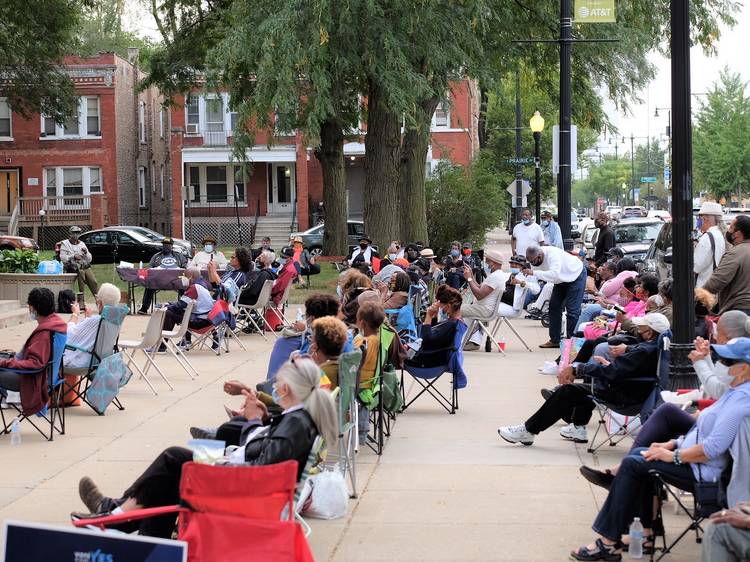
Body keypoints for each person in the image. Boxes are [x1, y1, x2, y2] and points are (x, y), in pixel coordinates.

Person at [74, 357, 337, 538]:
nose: (275, 388)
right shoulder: (299, 419)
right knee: (176, 470)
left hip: (245, 492)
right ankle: (116, 517)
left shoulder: (297, 423)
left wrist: (253, 423)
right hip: (250, 485)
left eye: (277, 384)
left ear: (287, 388)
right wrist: (260, 421)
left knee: (174, 459)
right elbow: (269, 457)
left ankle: (114, 517)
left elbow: (262, 470)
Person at [568, 336, 750, 562]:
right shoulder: (735, 391)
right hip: (695, 461)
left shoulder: (742, 401)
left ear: (744, 369)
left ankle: (607, 542)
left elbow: (711, 449)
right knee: (638, 456)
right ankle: (643, 533)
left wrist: (672, 455)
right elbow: (703, 430)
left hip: (706, 473)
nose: (721, 364)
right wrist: (671, 444)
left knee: (635, 463)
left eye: (726, 361)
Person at [579, 310, 750, 492]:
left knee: (663, 418)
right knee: (645, 448)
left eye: (719, 333)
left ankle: (624, 475)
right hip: (709, 425)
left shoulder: (739, 374)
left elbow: (718, 392)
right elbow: (720, 393)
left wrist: (674, 454)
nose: (715, 335)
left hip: (710, 451)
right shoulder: (735, 367)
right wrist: (706, 357)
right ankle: (632, 484)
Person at [498, 312, 669, 447]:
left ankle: (528, 430)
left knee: (569, 390)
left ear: (650, 333)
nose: (638, 331)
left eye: (641, 328)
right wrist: (605, 366)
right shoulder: (653, 348)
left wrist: (578, 368)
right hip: (629, 390)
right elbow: (622, 369)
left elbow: (615, 372)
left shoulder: (643, 351)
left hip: (624, 395)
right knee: (584, 389)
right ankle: (577, 427)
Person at [0, 288, 67, 416]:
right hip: (49, 375)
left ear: (34, 308)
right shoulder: (56, 324)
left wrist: (5, 363)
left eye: (29, 306)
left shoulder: (45, 333)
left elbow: (35, 364)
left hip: (35, 379)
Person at [524, 244, 586, 348]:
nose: (532, 264)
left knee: (572, 310)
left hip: (576, 275)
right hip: (560, 280)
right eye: (530, 262)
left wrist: (534, 273)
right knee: (554, 306)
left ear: (540, 256)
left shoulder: (553, 254)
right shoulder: (534, 260)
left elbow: (554, 274)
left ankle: (572, 342)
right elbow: (542, 276)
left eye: (533, 261)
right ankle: (555, 340)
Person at [64, 283, 122, 370]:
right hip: (101, 361)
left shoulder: (95, 320)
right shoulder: (113, 320)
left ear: (100, 302)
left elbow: (68, 332)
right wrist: (88, 318)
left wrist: (75, 314)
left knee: (58, 350)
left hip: (85, 362)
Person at [460, 249, 508, 351]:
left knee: (453, 309)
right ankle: (465, 341)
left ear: (494, 263)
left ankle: (452, 341)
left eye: (487, 261)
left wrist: (469, 279)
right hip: (481, 307)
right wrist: (471, 276)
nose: (485, 263)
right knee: (460, 308)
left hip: (484, 309)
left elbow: (479, 295)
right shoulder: (496, 275)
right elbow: (479, 287)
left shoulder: (496, 277)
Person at [407, 285, 464, 368]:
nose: (440, 309)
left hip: (427, 362)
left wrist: (428, 316)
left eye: (441, 307)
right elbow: (435, 335)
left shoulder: (450, 324)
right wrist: (433, 318)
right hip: (436, 358)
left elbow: (426, 339)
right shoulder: (456, 322)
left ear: (448, 306)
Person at [703, 215, 750, 314]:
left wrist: (698, 294)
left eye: (731, 227)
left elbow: (716, 282)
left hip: (740, 311)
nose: (728, 230)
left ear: (737, 233)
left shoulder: (736, 253)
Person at [137, 237, 188, 315]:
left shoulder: (179, 256)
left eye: (168, 245)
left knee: (184, 286)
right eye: (164, 245)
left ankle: (185, 307)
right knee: (149, 286)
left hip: (175, 281)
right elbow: (150, 269)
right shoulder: (156, 257)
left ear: (172, 246)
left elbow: (184, 268)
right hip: (158, 281)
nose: (166, 246)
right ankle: (144, 308)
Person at [161, 267, 214, 337]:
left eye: (185, 275)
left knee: (168, 313)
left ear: (190, 276)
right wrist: (170, 304)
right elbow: (183, 304)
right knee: (182, 312)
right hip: (207, 320)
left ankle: (161, 345)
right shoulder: (202, 284)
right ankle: (185, 341)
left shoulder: (194, 287)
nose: (183, 278)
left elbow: (181, 305)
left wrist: (165, 307)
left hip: (200, 321)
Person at [694, 201, 727, 288]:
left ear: (705, 219)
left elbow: (696, 266)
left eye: (700, 219)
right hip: (715, 287)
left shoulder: (707, 237)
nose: (698, 223)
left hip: (704, 289)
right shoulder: (720, 234)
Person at [60, 226, 99, 296]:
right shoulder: (65, 244)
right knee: (81, 274)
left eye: (78, 233)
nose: (76, 235)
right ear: (70, 234)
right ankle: (81, 297)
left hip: (83, 266)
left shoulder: (82, 244)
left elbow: (89, 259)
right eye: (74, 233)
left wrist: (86, 252)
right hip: (70, 267)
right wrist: (73, 256)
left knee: (93, 281)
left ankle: (98, 298)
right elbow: (63, 258)